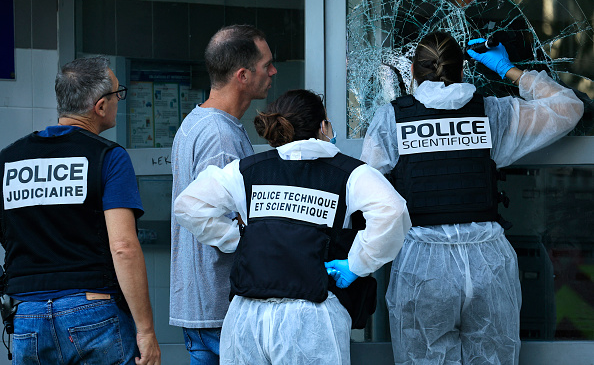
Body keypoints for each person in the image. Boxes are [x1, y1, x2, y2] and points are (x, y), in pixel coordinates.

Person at [361, 31, 584, 364]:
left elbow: (371, 192)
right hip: (489, 263)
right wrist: (508, 69)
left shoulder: (392, 118)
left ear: (413, 71)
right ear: (463, 70)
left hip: (422, 265)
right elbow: (568, 107)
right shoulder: (494, 113)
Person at [173, 89, 411, 364]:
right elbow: (393, 211)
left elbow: (188, 206)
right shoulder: (350, 173)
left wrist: (238, 238)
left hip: (248, 317)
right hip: (313, 318)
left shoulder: (246, 171)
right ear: (323, 126)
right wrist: (358, 264)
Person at [0, 56, 161, 364]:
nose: (119, 101)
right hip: (92, 312)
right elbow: (124, 247)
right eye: (117, 94)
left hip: (27, 315)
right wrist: (146, 331)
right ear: (100, 106)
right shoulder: (107, 157)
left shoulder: (9, 160)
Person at [169, 24, 277, 364]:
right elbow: (216, 222)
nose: (273, 71)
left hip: (202, 307)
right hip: (221, 308)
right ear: (242, 75)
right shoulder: (221, 138)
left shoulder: (198, 122)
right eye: (266, 65)